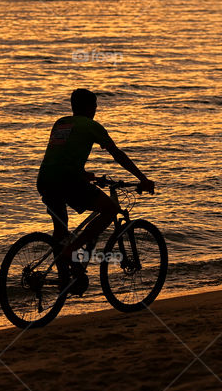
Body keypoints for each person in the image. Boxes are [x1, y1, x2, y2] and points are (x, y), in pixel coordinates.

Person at [36, 89, 154, 295]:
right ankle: (72, 251)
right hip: (66, 181)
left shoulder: (61, 124)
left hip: (45, 180)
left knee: (61, 232)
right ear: (90, 107)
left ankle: (65, 280)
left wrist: (89, 177)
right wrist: (142, 179)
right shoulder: (92, 126)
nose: (96, 110)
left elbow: (61, 158)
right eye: (96, 106)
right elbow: (117, 154)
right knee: (110, 209)